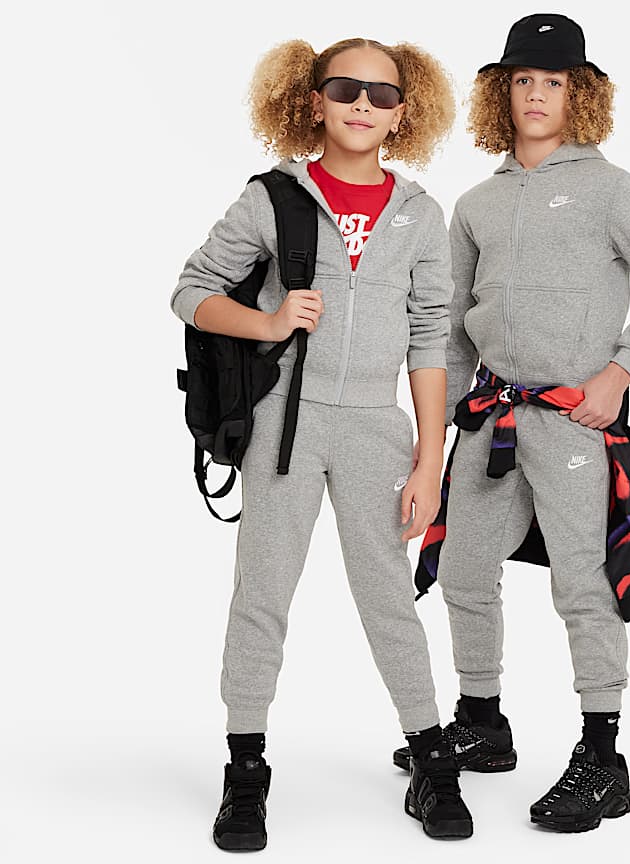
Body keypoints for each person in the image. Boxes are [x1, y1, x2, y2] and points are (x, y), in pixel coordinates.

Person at [393, 13, 630, 833]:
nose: (535, 95)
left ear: (579, 94)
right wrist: (437, 433)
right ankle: (482, 723)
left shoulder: (611, 189)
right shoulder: (476, 204)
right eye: (521, 80)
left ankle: (603, 756)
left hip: (571, 420)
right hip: (490, 419)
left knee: (583, 583)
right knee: (463, 570)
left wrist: (618, 373)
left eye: (552, 82)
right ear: (502, 92)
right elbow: (451, 326)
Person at [170, 36, 474, 848]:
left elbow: (430, 338)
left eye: (382, 94)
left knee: (388, 596)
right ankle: (245, 768)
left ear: (404, 113)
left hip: (377, 426)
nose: (363, 105)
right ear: (314, 101)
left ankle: (430, 755)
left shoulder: (420, 214)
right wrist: (269, 322)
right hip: (285, 425)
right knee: (263, 592)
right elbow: (191, 290)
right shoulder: (274, 198)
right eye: (345, 89)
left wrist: (430, 461)